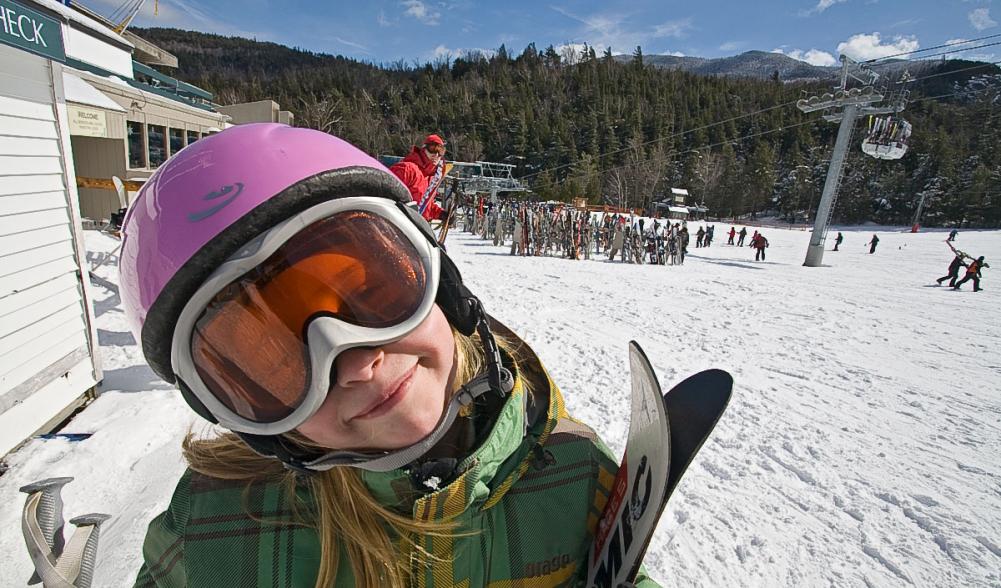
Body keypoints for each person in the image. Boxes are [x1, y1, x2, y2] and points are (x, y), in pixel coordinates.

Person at [119, 124, 657, 588]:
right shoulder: (215, 534)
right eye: (277, 364)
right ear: (249, 421)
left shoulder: (573, 475)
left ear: (441, 282)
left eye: (375, 294)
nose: (356, 364)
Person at [389, 134, 448, 222]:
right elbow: (387, 195)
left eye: (440, 151)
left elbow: (424, 206)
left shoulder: (431, 177)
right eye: (432, 149)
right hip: (399, 224)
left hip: (416, 226)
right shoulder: (407, 169)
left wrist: (440, 214)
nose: (436, 154)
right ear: (424, 149)